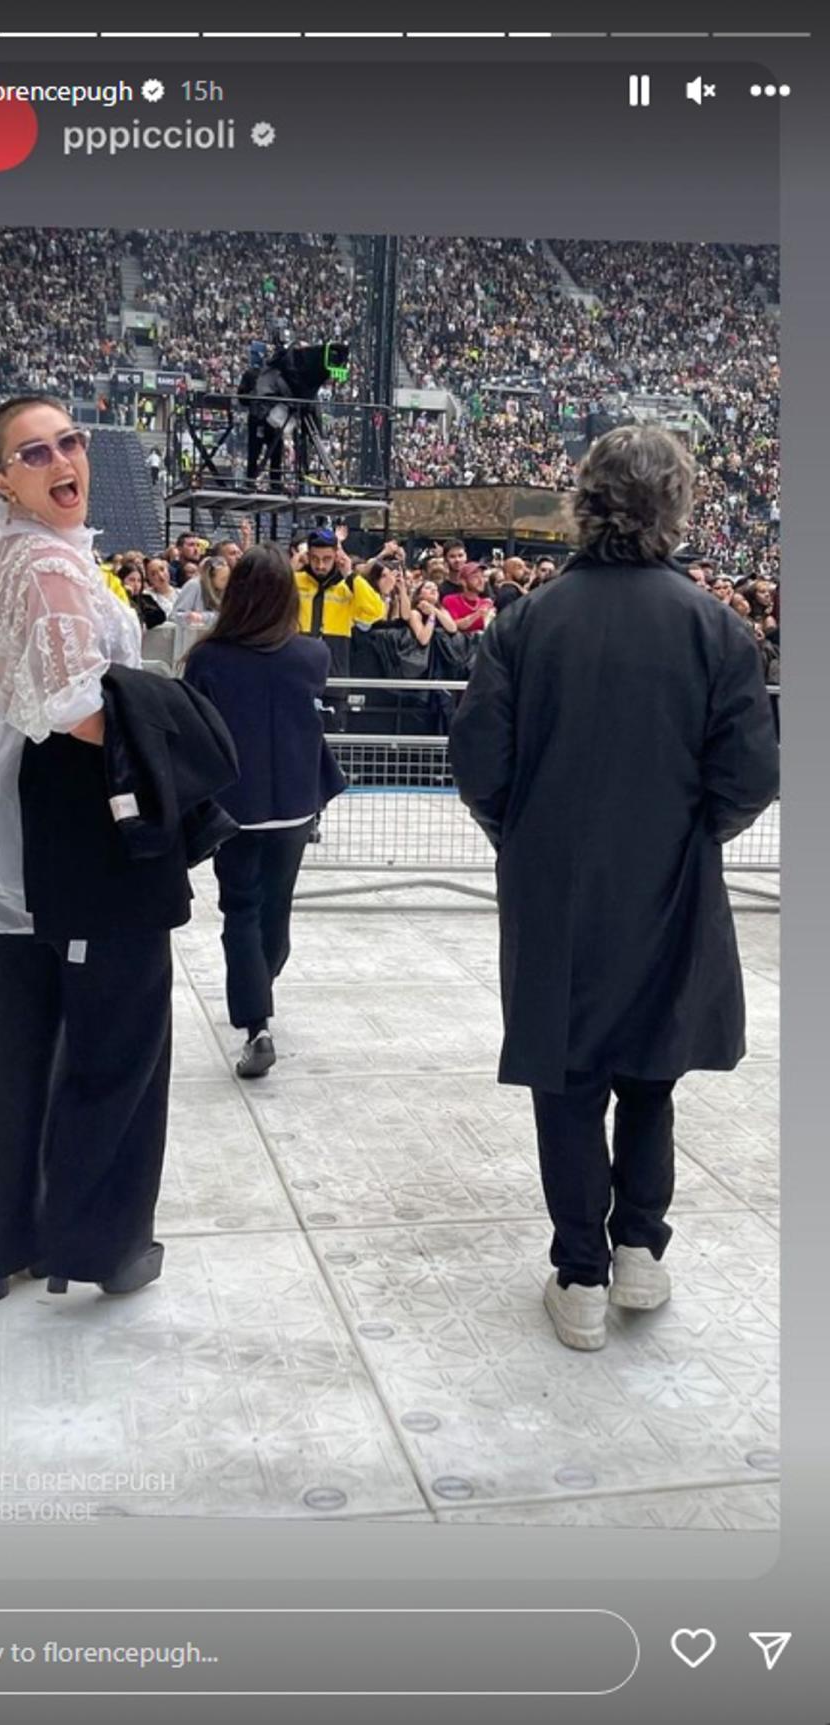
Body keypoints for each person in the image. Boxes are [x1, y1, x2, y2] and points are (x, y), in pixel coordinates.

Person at [450, 424, 779, 1352]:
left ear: (584, 501)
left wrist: (524, 833)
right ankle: (638, 1248)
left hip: (554, 886)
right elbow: (750, 775)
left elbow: (479, 762)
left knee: (566, 1078)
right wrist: (687, 833)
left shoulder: (527, 620)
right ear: (676, 507)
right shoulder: (717, 626)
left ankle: (581, 1273)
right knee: (649, 1071)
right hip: (669, 882)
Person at [0, 394, 191, 1302]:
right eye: (34, 452)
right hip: (86, 837)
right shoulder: (44, 566)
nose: (61, 459)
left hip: (28, 844)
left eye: (69, 441)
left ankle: (29, 1238)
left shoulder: (20, 552)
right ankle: (102, 1244)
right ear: (3, 480)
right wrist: (174, 720)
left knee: (30, 1042)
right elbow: (75, 708)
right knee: (118, 1040)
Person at [182, 544, 345, 1078]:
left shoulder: (208, 658)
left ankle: (256, 1019)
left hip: (235, 807)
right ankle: (261, 988)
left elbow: (193, 730)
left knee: (242, 910)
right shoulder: (313, 655)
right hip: (296, 806)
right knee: (276, 907)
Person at [294, 526, 385, 682]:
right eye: (315, 558)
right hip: (297, 671)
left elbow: (376, 611)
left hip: (334, 672)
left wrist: (350, 575)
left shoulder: (348, 586)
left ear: (337, 556)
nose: (320, 565)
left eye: (327, 559)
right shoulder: (295, 581)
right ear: (308, 556)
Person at [171, 553, 230, 628]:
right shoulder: (194, 585)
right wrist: (189, 616)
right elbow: (175, 615)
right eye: (223, 579)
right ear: (210, 578)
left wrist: (205, 617)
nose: (227, 582)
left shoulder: (225, 590)